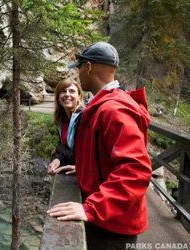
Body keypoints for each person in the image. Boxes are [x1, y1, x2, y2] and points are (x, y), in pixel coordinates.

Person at [47, 41, 152, 250]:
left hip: (111, 224)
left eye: (79, 68)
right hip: (108, 217)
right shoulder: (104, 104)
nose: (78, 74)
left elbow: (136, 170)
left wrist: (92, 209)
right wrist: (85, 168)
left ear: (88, 67)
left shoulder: (114, 109)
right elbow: (104, 153)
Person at [47, 79, 84, 176]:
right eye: (63, 91)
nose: (67, 94)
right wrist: (57, 159)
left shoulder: (83, 117)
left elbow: (85, 153)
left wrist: (81, 167)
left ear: (79, 97)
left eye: (72, 91)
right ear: (58, 98)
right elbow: (65, 149)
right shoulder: (61, 119)